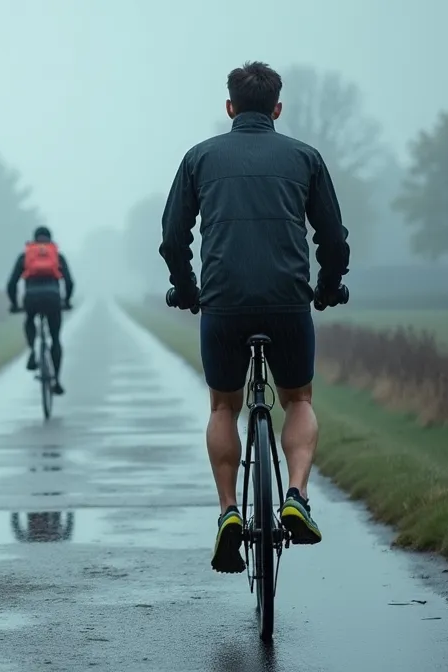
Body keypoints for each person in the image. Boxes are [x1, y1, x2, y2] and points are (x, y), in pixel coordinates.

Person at [158, 62, 350, 574]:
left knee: (224, 407)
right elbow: (332, 237)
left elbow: (174, 235)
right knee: (299, 398)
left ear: (230, 108)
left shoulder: (199, 158)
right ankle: (296, 494)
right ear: (277, 109)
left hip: (223, 305)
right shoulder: (305, 158)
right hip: (288, 303)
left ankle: (228, 513)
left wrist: (186, 287)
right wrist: (328, 288)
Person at [7, 226, 74, 394]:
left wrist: (14, 304)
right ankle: (56, 382)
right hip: (53, 299)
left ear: (34, 239)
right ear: (50, 240)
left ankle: (32, 351)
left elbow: (11, 284)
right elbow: (70, 282)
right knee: (55, 339)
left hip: (31, 299)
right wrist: (67, 301)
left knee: (29, 321)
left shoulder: (25, 257)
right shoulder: (57, 257)